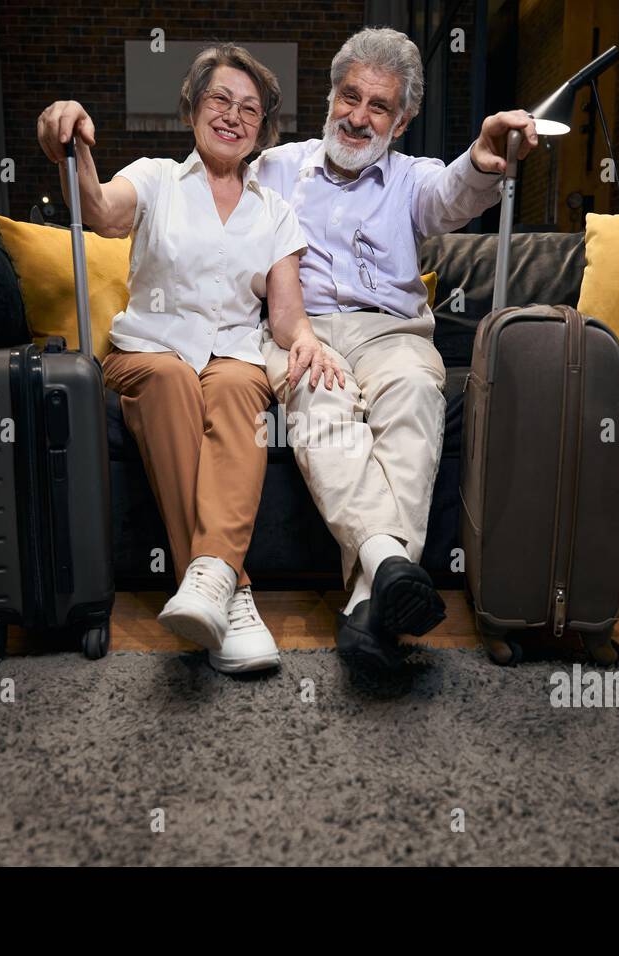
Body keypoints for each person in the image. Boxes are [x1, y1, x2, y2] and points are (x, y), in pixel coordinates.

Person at [36, 44, 343, 674]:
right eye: (220, 100)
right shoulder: (153, 179)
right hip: (147, 352)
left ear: (263, 128)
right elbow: (97, 210)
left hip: (232, 354)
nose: (233, 115)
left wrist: (307, 337)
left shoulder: (276, 212)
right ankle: (232, 591)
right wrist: (72, 147)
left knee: (237, 385)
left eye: (250, 109)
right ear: (192, 110)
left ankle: (208, 588)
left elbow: (284, 316)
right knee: (174, 378)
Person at [251, 27, 538, 667]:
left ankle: (366, 601)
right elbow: (208, 192)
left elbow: (454, 193)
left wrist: (483, 152)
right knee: (322, 409)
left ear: (402, 121)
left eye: (378, 106)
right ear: (330, 96)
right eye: (349, 97)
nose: (357, 117)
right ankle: (386, 572)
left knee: (413, 395)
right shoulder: (275, 168)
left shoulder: (413, 179)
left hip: (392, 333)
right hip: (305, 330)